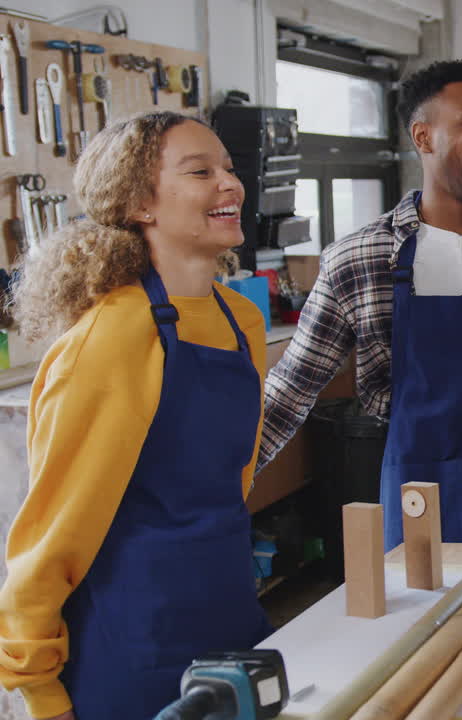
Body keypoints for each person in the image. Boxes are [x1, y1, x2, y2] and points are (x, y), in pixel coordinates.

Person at [0, 112, 273, 719]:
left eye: (228, 168)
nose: (230, 184)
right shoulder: (111, 337)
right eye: (201, 171)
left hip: (231, 616)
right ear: (139, 203)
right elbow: (51, 536)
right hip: (134, 642)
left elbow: (235, 483)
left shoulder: (241, 321)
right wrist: (41, 691)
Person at [259, 60, 462, 549]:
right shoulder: (359, 260)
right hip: (420, 512)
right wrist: (213, 488)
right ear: (423, 136)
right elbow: (288, 393)